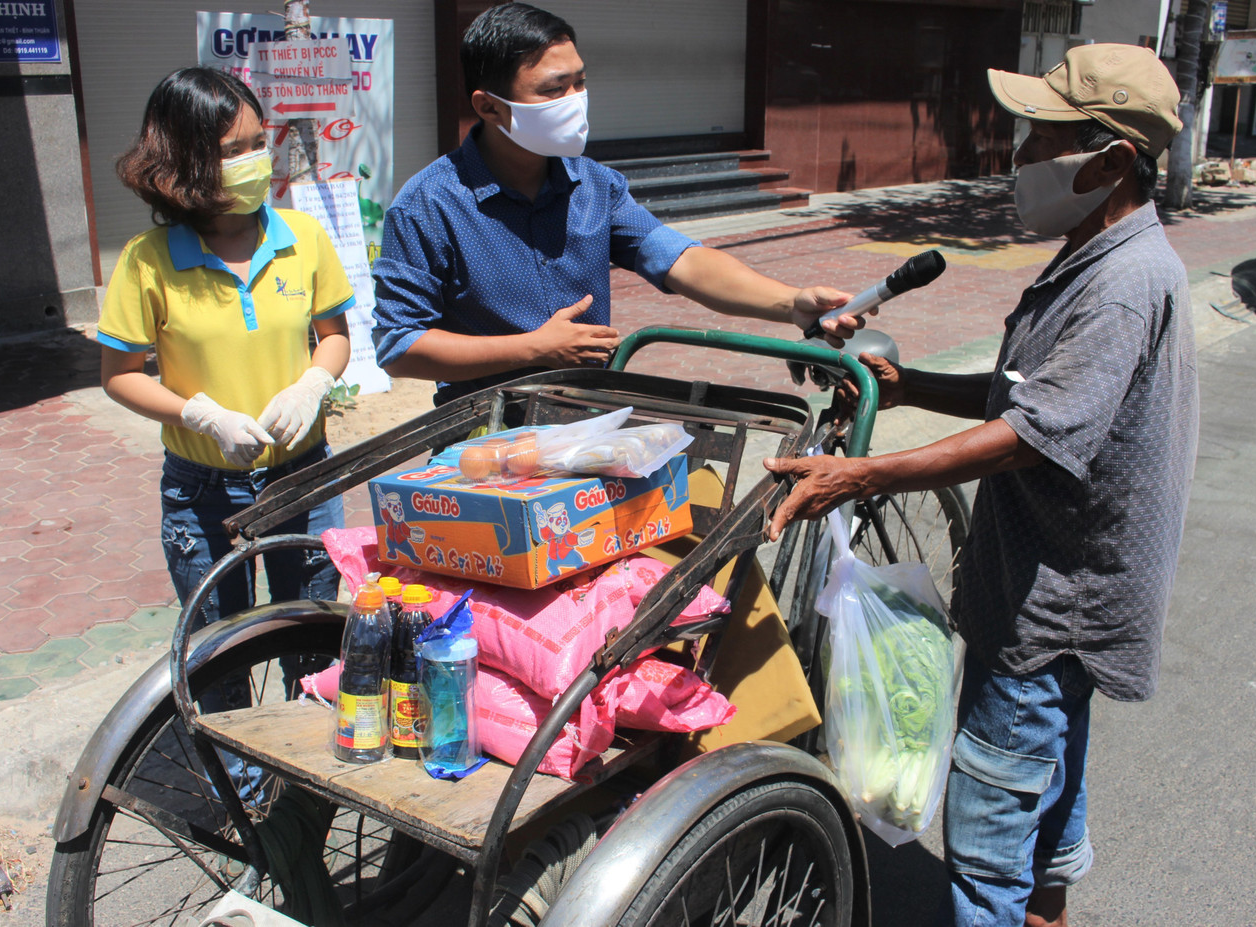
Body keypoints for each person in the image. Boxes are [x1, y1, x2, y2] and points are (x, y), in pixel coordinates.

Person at [764, 44, 1199, 927]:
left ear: (1111, 160)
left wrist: (861, 472)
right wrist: (909, 384)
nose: (1021, 156)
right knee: (1048, 788)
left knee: (988, 843)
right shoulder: (1096, 250)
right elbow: (1024, 394)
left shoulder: (1119, 284)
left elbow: (1028, 438)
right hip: (1074, 591)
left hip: (1054, 607)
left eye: (1042, 138)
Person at [371, 2, 865, 405]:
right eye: (553, 89)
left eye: (580, 82)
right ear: (488, 106)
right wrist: (534, 349)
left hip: (597, 413)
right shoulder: (426, 206)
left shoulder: (596, 186)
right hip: (487, 432)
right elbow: (399, 345)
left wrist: (792, 303)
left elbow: (681, 260)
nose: (576, 99)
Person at [98, 68, 355, 680]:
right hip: (203, 493)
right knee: (217, 661)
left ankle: (300, 777)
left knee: (315, 647)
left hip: (305, 477)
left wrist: (313, 383)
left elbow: (335, 337)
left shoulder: (304, 236)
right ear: (183, 164)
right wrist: (200, 415)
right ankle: (236, 779)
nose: (252, 161)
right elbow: (119, 374)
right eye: (229, 151)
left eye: (256, 142)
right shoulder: (147, 261)